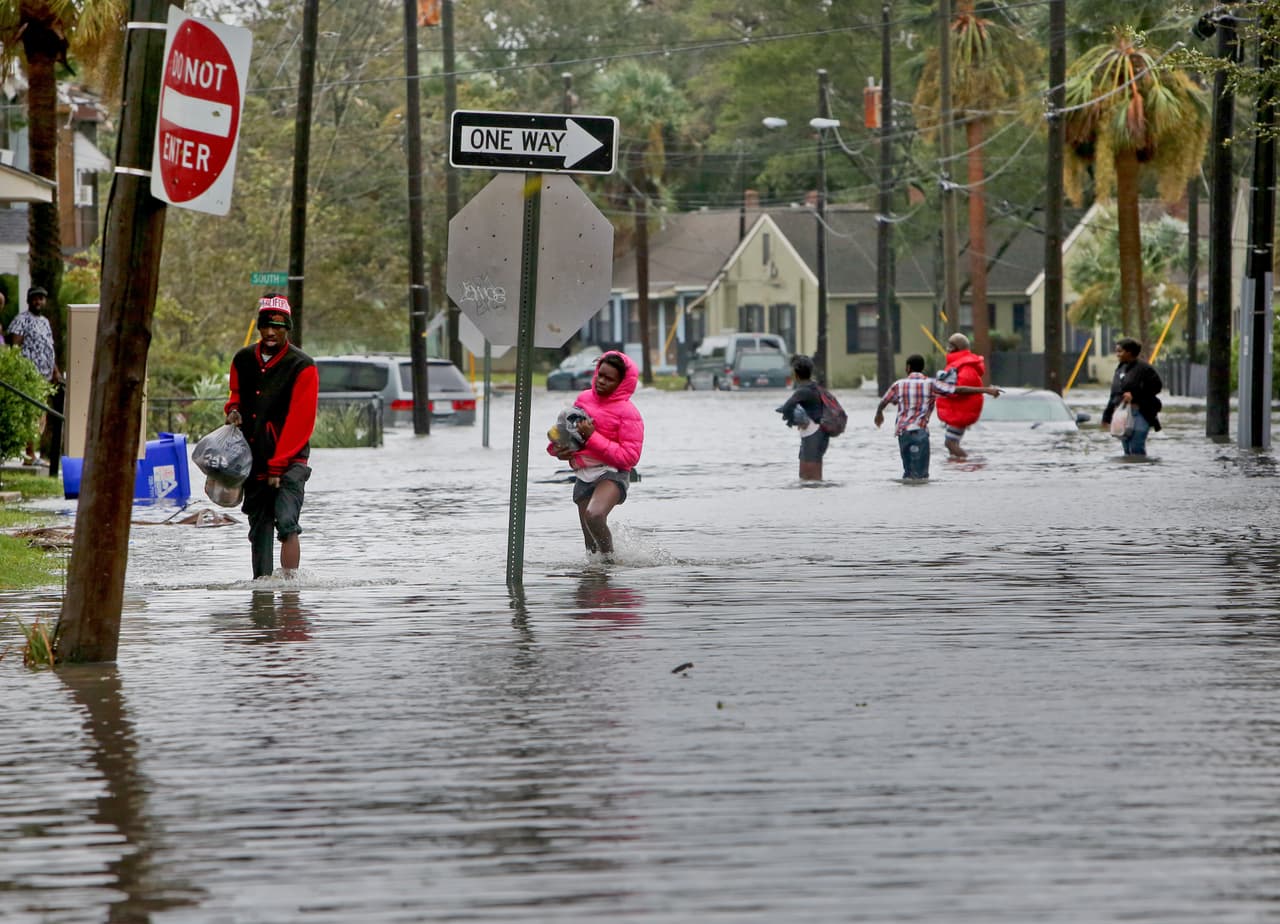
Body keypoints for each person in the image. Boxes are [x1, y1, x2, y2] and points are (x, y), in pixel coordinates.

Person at [224, 294, 318, 579]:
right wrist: (233, 410)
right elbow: (235, 396)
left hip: (291, 461)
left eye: (278, 326)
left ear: (287, 328)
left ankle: (291, 595)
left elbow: (300, 422)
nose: (270, 332)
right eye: (266, 325)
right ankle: (261, 590)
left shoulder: (303, 366)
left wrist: (279, 465)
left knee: (287, 522)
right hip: (253, 459)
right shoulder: (242, 359)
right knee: (259, 525)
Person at [547, 350, 644, 560]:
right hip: (583, 473)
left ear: (621, 383)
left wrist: (592, 437)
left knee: (594, 515)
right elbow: (567, 431)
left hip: (612, 474)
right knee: (590, 545)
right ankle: (596, 580)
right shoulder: (583, 399)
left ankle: (610, 562)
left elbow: (630, 457)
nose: (601, 381)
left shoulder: (629, 413)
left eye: (609, 379)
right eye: (600, 374)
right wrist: (558, 450)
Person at [875, 354, 1000, 481]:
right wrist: (986, 390)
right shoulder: (931, 384)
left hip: (903, 434)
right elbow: (958, 390)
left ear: (908, 368)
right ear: (922, 368)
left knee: (908, 474)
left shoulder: (898, 385)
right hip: (920, 432)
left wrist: (879, 414)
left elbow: (884, 401)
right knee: (921, 477)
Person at [7, 286, 61, 465]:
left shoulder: (45, 321)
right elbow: (15, 346)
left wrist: (55, 370)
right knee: (31, 412)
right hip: (29, 375)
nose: (38, 302)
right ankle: (29, 454)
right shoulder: (21, 320)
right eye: (35, 299)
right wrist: (18, 369)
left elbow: (48, 347)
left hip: (45, 376)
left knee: (41, 415)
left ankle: (33, 454)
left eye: (41, 299)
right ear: (29, 301)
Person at [1101, 337, 1163, 457]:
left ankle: (1141, 472)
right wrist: (1106, 416)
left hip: (1141, 413)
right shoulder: (1120, 369)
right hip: (1122, 414)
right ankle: (1129, 473)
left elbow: (1157, 387)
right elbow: (1114, 393)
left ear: (1129, 352)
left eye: (1120, 351)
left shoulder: (1144, 368)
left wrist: (1134, 395)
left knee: (1136, 446)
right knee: (1126, 448)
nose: (1117, 354)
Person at [935, 332, 990, 460]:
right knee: (952, 444)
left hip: (961, 412)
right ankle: (956, 466)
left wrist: (945, 388)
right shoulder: (958, 365)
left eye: (950, 346)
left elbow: (959, 389)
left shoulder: (966, 367)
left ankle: (966, 464)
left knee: (950, 443)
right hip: (957, 410)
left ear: (956, 348)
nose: (947, 349)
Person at [775, 354, 828, 481]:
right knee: (810, 479)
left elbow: (787, 408)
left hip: (812, 436)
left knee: (809, 479)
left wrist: (792, 421)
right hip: (817, 434)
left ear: (796, 373)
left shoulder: (803, 391)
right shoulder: (815, 387)